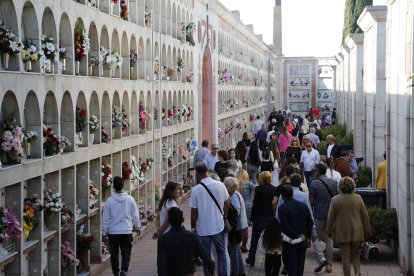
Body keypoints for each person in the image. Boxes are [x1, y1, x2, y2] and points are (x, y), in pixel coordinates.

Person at [190, 163, 229, 276]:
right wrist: (224, 215)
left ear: (197, 174)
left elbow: (194, 211)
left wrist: (193, 227)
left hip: (203, 228)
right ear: (208, 171)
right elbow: (227, 203)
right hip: (218, 225)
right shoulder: (220, 185)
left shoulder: (196, 190)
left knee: (206, 255)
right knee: (221, 252)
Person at [327, 177, 372, 276]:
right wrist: (368, 230)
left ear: (340, 186)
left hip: (342, 232)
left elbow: (330, 218)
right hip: (357, 231)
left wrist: (329, 231)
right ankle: (357, 273)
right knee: (356, 254)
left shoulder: (335, 200)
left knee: (345, 256)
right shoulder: (358, 198)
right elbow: (365, 216)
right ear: (353, 186)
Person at [157, 207, 215, 276]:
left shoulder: (163, 239)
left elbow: (161, 264)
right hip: (188, 272)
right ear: (182, 220)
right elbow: (205, 255)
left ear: (169, 221)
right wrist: (211, 270)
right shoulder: (192, 236)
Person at [102, 176, 141, 276]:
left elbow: (106, 218)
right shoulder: (130, 199)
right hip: (126, 230)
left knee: (114, 253)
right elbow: (135, 215)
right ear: (123, 185)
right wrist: (137, 227)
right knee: (126, 252)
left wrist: (104, 232)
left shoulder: (109, 201)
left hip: (113, 231)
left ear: (113, 186)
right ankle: (124, 270)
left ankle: (115, 272)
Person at [278, 185, 313, 276]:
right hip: (302, 238)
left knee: (290, 263)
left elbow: (285, 226)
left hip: (290, 240)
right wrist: (307, 236)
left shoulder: (282, 208)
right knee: (300, 263)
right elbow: (309, 222)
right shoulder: (303, 206)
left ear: (282, 195)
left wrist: (296, 236)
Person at [309, 163, 338, 273]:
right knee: (329, 238)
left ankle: (321, 258)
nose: (314, 172)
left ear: (318, 171)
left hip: (319, 215)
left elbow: (311, 201)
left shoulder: (314, 184)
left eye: (315, 170)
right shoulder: (335, 182)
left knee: (314, 236)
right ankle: (329, 265)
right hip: (331, 215)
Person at [246, 171, 278, 267]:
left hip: (259, 217)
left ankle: (251, 258)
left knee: (255, 239)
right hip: (271, 217)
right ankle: (270, 260)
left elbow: (255, 204)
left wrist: (251, 217)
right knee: (271, 240)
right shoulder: (275, 189)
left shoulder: (258, 189)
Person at [224, 177, 247, 276]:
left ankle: (235, 272)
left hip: (235, 227)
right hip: (238, 226)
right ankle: (241, 271)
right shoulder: (235, 194)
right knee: (236, 249)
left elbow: (236, 211)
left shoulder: (233, 196)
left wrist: (227, 208)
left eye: (226, 186)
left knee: (233, 250)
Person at [237, 169, 256, 252]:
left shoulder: (236, 183)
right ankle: (244, 245)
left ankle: (238, 243)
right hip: (248, 205)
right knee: (246, 225)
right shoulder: (248, 183)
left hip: (238, 204)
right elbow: (255, 188)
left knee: (239, 224)